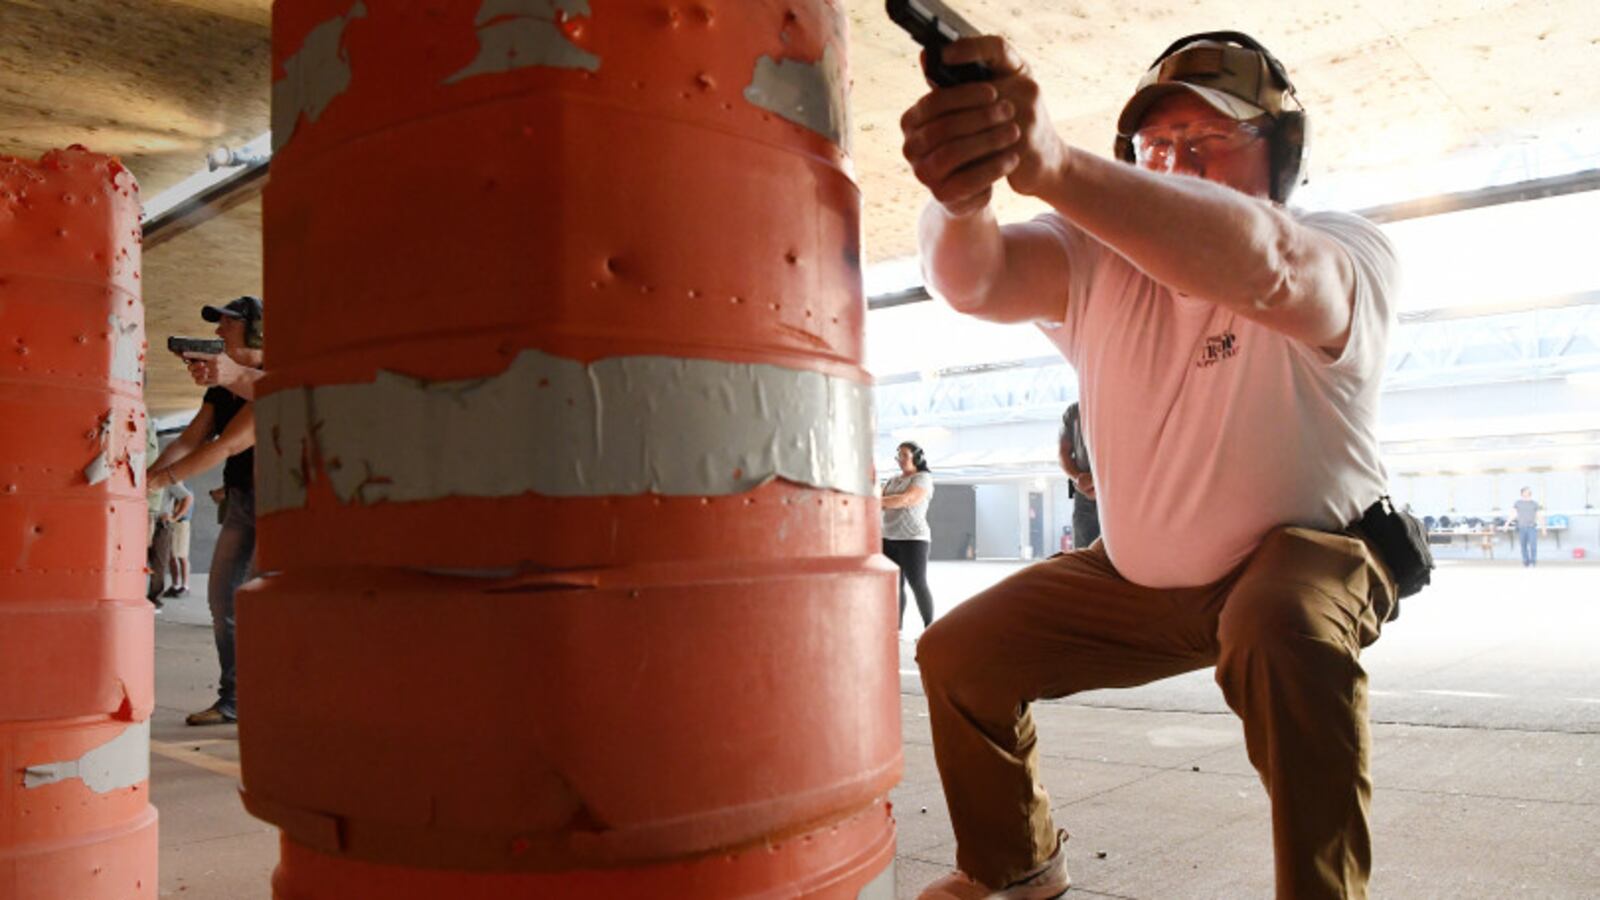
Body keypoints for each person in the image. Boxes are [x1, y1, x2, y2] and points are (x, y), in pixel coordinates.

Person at [901, 31, 1398, 900]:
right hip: (1138, 579)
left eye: (1206, 143)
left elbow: (1268, 263)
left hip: (1311, 557)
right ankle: (1014, 867)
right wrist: (963, 192)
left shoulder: (1348, 251)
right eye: (1157, 146)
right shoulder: (1098, 258)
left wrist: (1053, 161)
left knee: (1280, 627)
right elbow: (973, 280)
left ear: (1281, 161)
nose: (1174, 164)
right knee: (958, 655)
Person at [147, 296, 263, 726]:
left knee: (263, 605)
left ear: (256, 330)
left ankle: (272, 697)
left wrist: (157, 482)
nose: (218, 333)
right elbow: (190, 438)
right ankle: (233, 700)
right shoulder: (222, 387)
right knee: (221, 601)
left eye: (227, 325)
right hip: (240, 500)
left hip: (281, 502)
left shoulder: (276, 379)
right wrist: (147, 476)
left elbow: (229, 443)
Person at [882, 441, 937, 631]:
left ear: (917, 457)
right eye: (898, 455)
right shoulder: (892, 480)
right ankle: (896, 629)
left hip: (913, 539)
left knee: (917, 583)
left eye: (904, 455)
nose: (900, 459)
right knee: (895, 585)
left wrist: (879, 501)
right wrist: (879, 501)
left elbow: (907, 499)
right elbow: (879, 501)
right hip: (888, 537)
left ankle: (930, 630)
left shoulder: (922, 478)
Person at [1058, 402, 1100, 549]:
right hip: (1084, 493)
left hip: (1115, 493)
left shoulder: (1117, 405)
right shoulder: (1073, 412)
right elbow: (1063, 453)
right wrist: (1077, 477)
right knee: (1083, 552)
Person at [163, 480, 194, 597]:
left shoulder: (185, 486)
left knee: (182, 555)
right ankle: (175, 584)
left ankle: (185, 586)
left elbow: (187, 502)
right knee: (172, 556)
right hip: (173, 522)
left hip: (181, 523)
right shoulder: (176, 483)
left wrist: (175, 517)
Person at [1513, 487, 1541, 567]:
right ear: (1522, 493)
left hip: (1532, 527)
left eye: (1529, 491)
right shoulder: (1517, 503)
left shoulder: (1534, 503)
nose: (1528, 492)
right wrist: (1506, 523)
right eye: (1526, 491)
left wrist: (1543, 528)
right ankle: (1526, 562)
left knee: (1533, 545)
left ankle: (1533, 562)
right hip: (1521, 527)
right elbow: (1514, 514)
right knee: (1523, 546)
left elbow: (1539, 515)